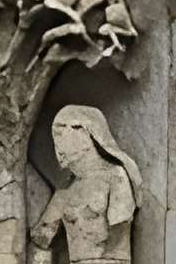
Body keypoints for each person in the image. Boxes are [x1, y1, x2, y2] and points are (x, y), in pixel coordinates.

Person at [27, 110, 140, 264]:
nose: (58, 145)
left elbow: (118, 237)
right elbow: (41, 238)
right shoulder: (66, 189)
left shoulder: (115, 176)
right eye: (56, 135)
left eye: (62, 133)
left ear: (85, 134)